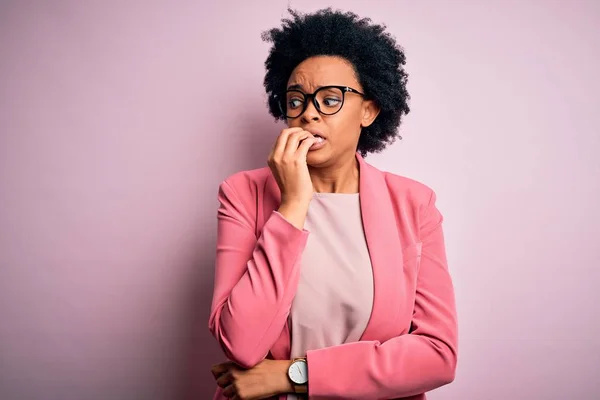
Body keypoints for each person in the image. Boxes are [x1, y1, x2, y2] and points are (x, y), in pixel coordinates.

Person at [208, 7, 457, 400]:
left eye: (329, 99)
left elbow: (437, 355)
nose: (308, 113)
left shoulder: (414, 205)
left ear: (369, 110)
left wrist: (294, 374)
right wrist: (292, 204)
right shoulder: (243, 194)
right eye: (296, 100)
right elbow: (241, 344)